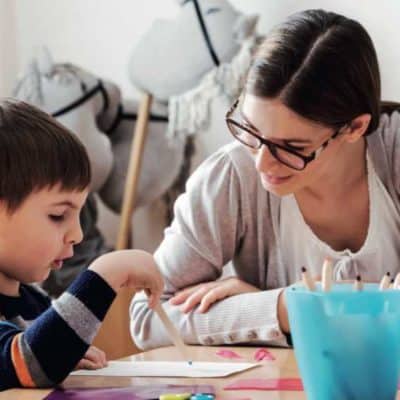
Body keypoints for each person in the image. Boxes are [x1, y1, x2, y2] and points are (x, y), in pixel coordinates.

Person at [130, 9, 400, 350]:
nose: (262, 162)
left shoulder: (394, 154)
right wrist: (278, 308)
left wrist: (302, 307)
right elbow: (148, 317)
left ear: (355, 127)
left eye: (292, 147)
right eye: (251, 129)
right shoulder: (231, 175)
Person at [0, 100, 164, 391]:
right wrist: (105, 274)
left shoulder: (33, 302)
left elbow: (34, 362)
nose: (76, 233)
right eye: (58, 215)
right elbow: (29, 363)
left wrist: (60, 351)